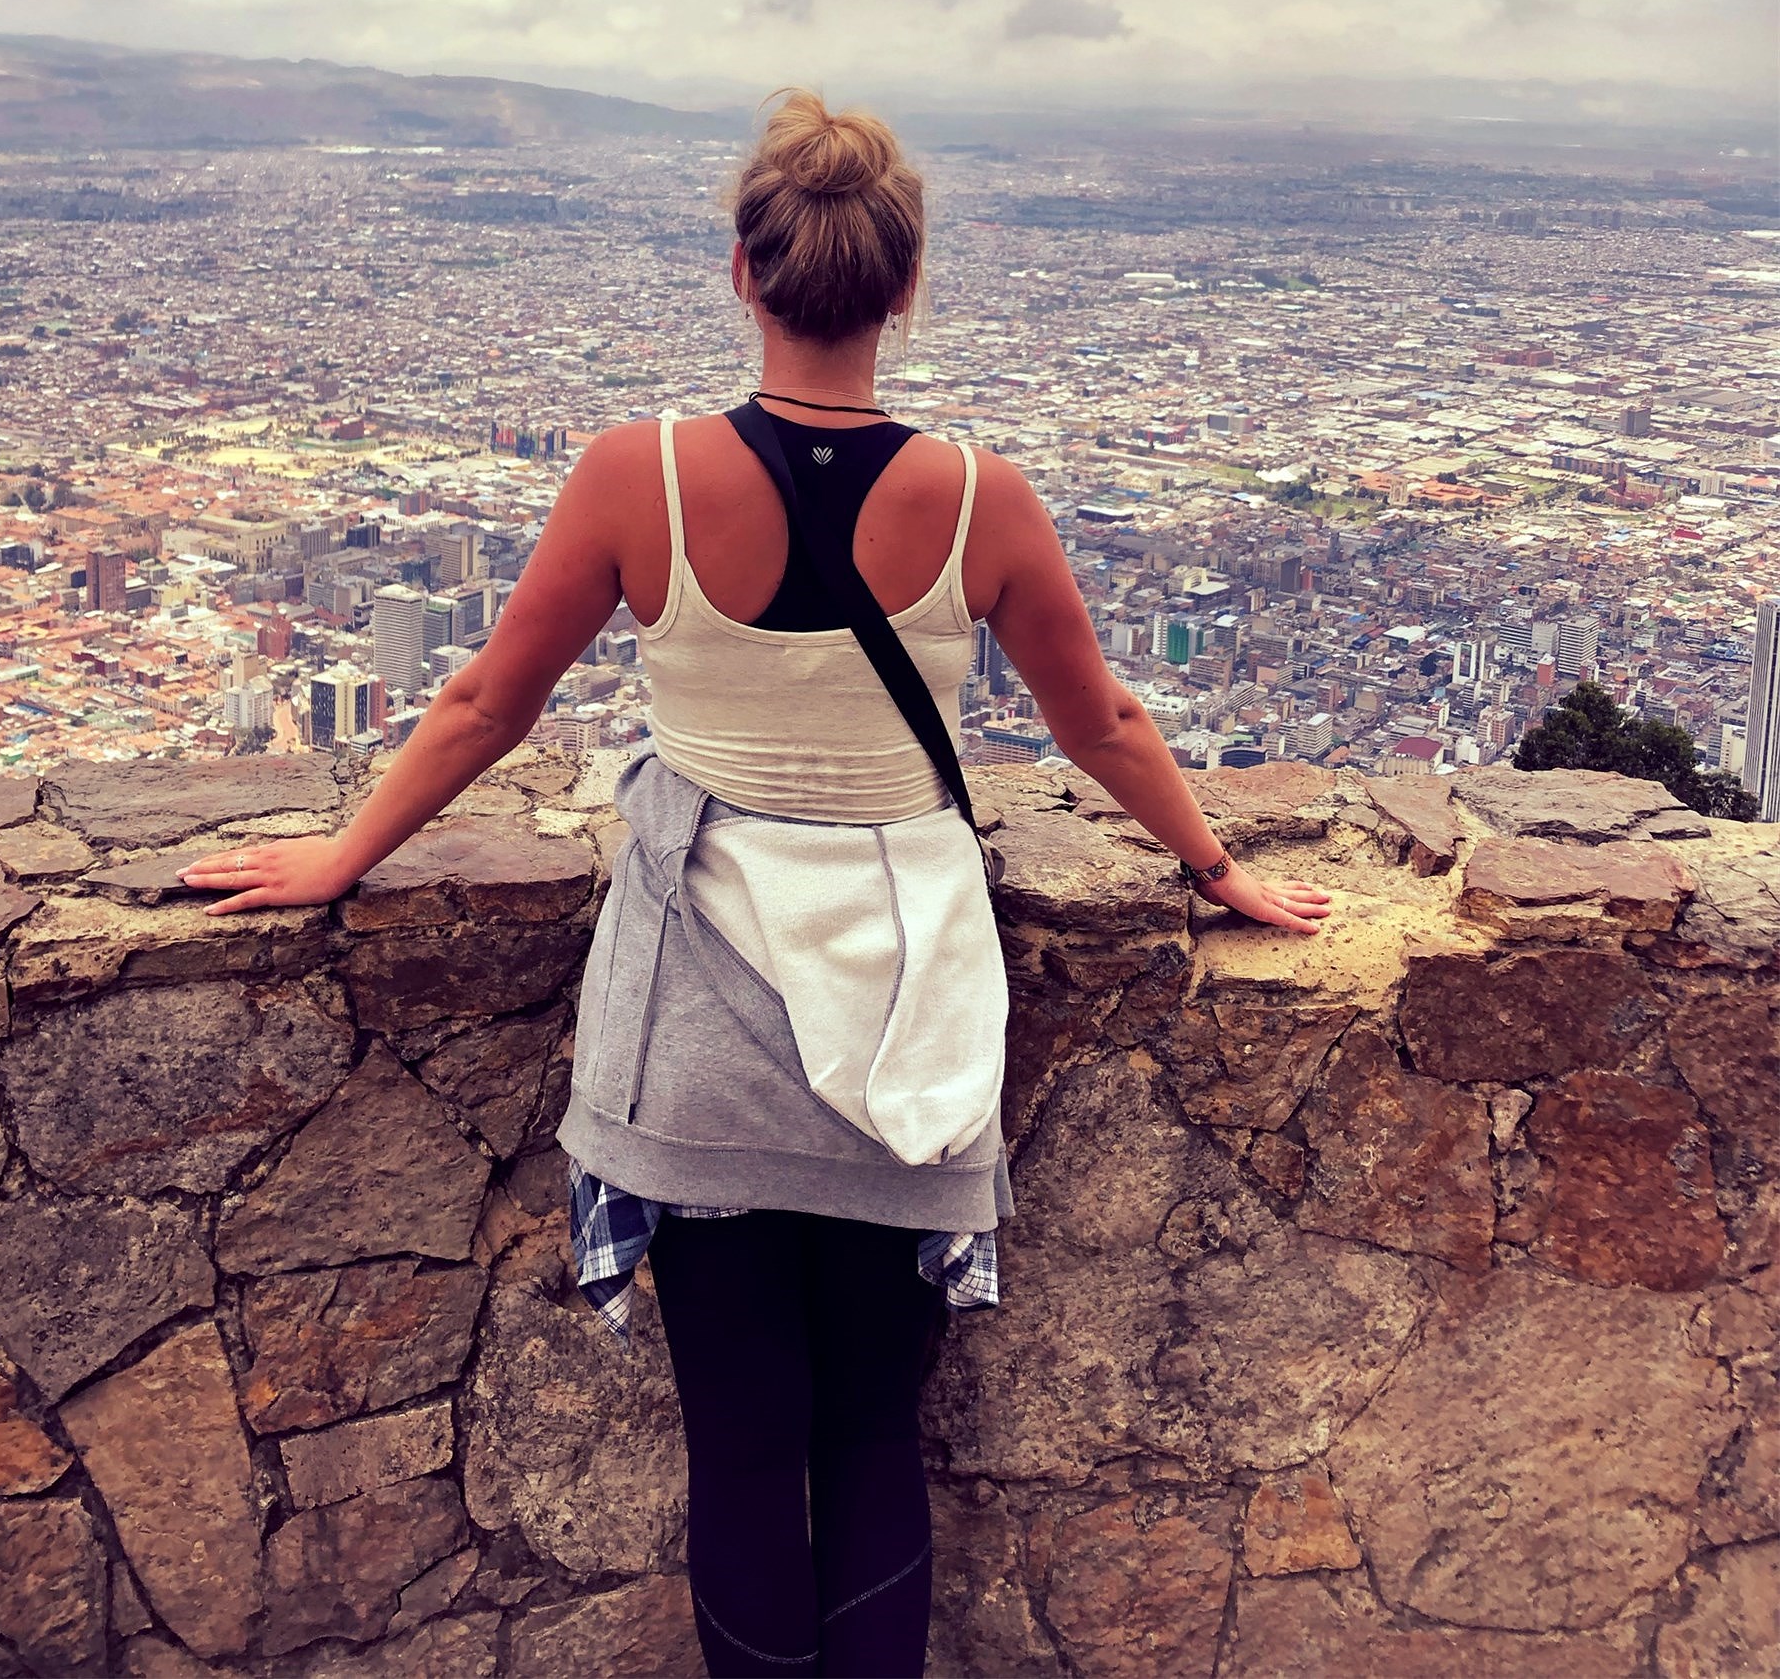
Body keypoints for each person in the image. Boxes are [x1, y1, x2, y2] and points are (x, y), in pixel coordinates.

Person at [182, 90, 1329, 1679]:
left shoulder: (638, 476)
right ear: (905, 287)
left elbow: (485, 703)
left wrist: (339, 856)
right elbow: (1105, 725)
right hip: (909, 1018)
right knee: (868, 1436)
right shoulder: (978, 498)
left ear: (744, 270)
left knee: (740, 1450)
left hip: (701, 1023)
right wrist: (1216, 866)